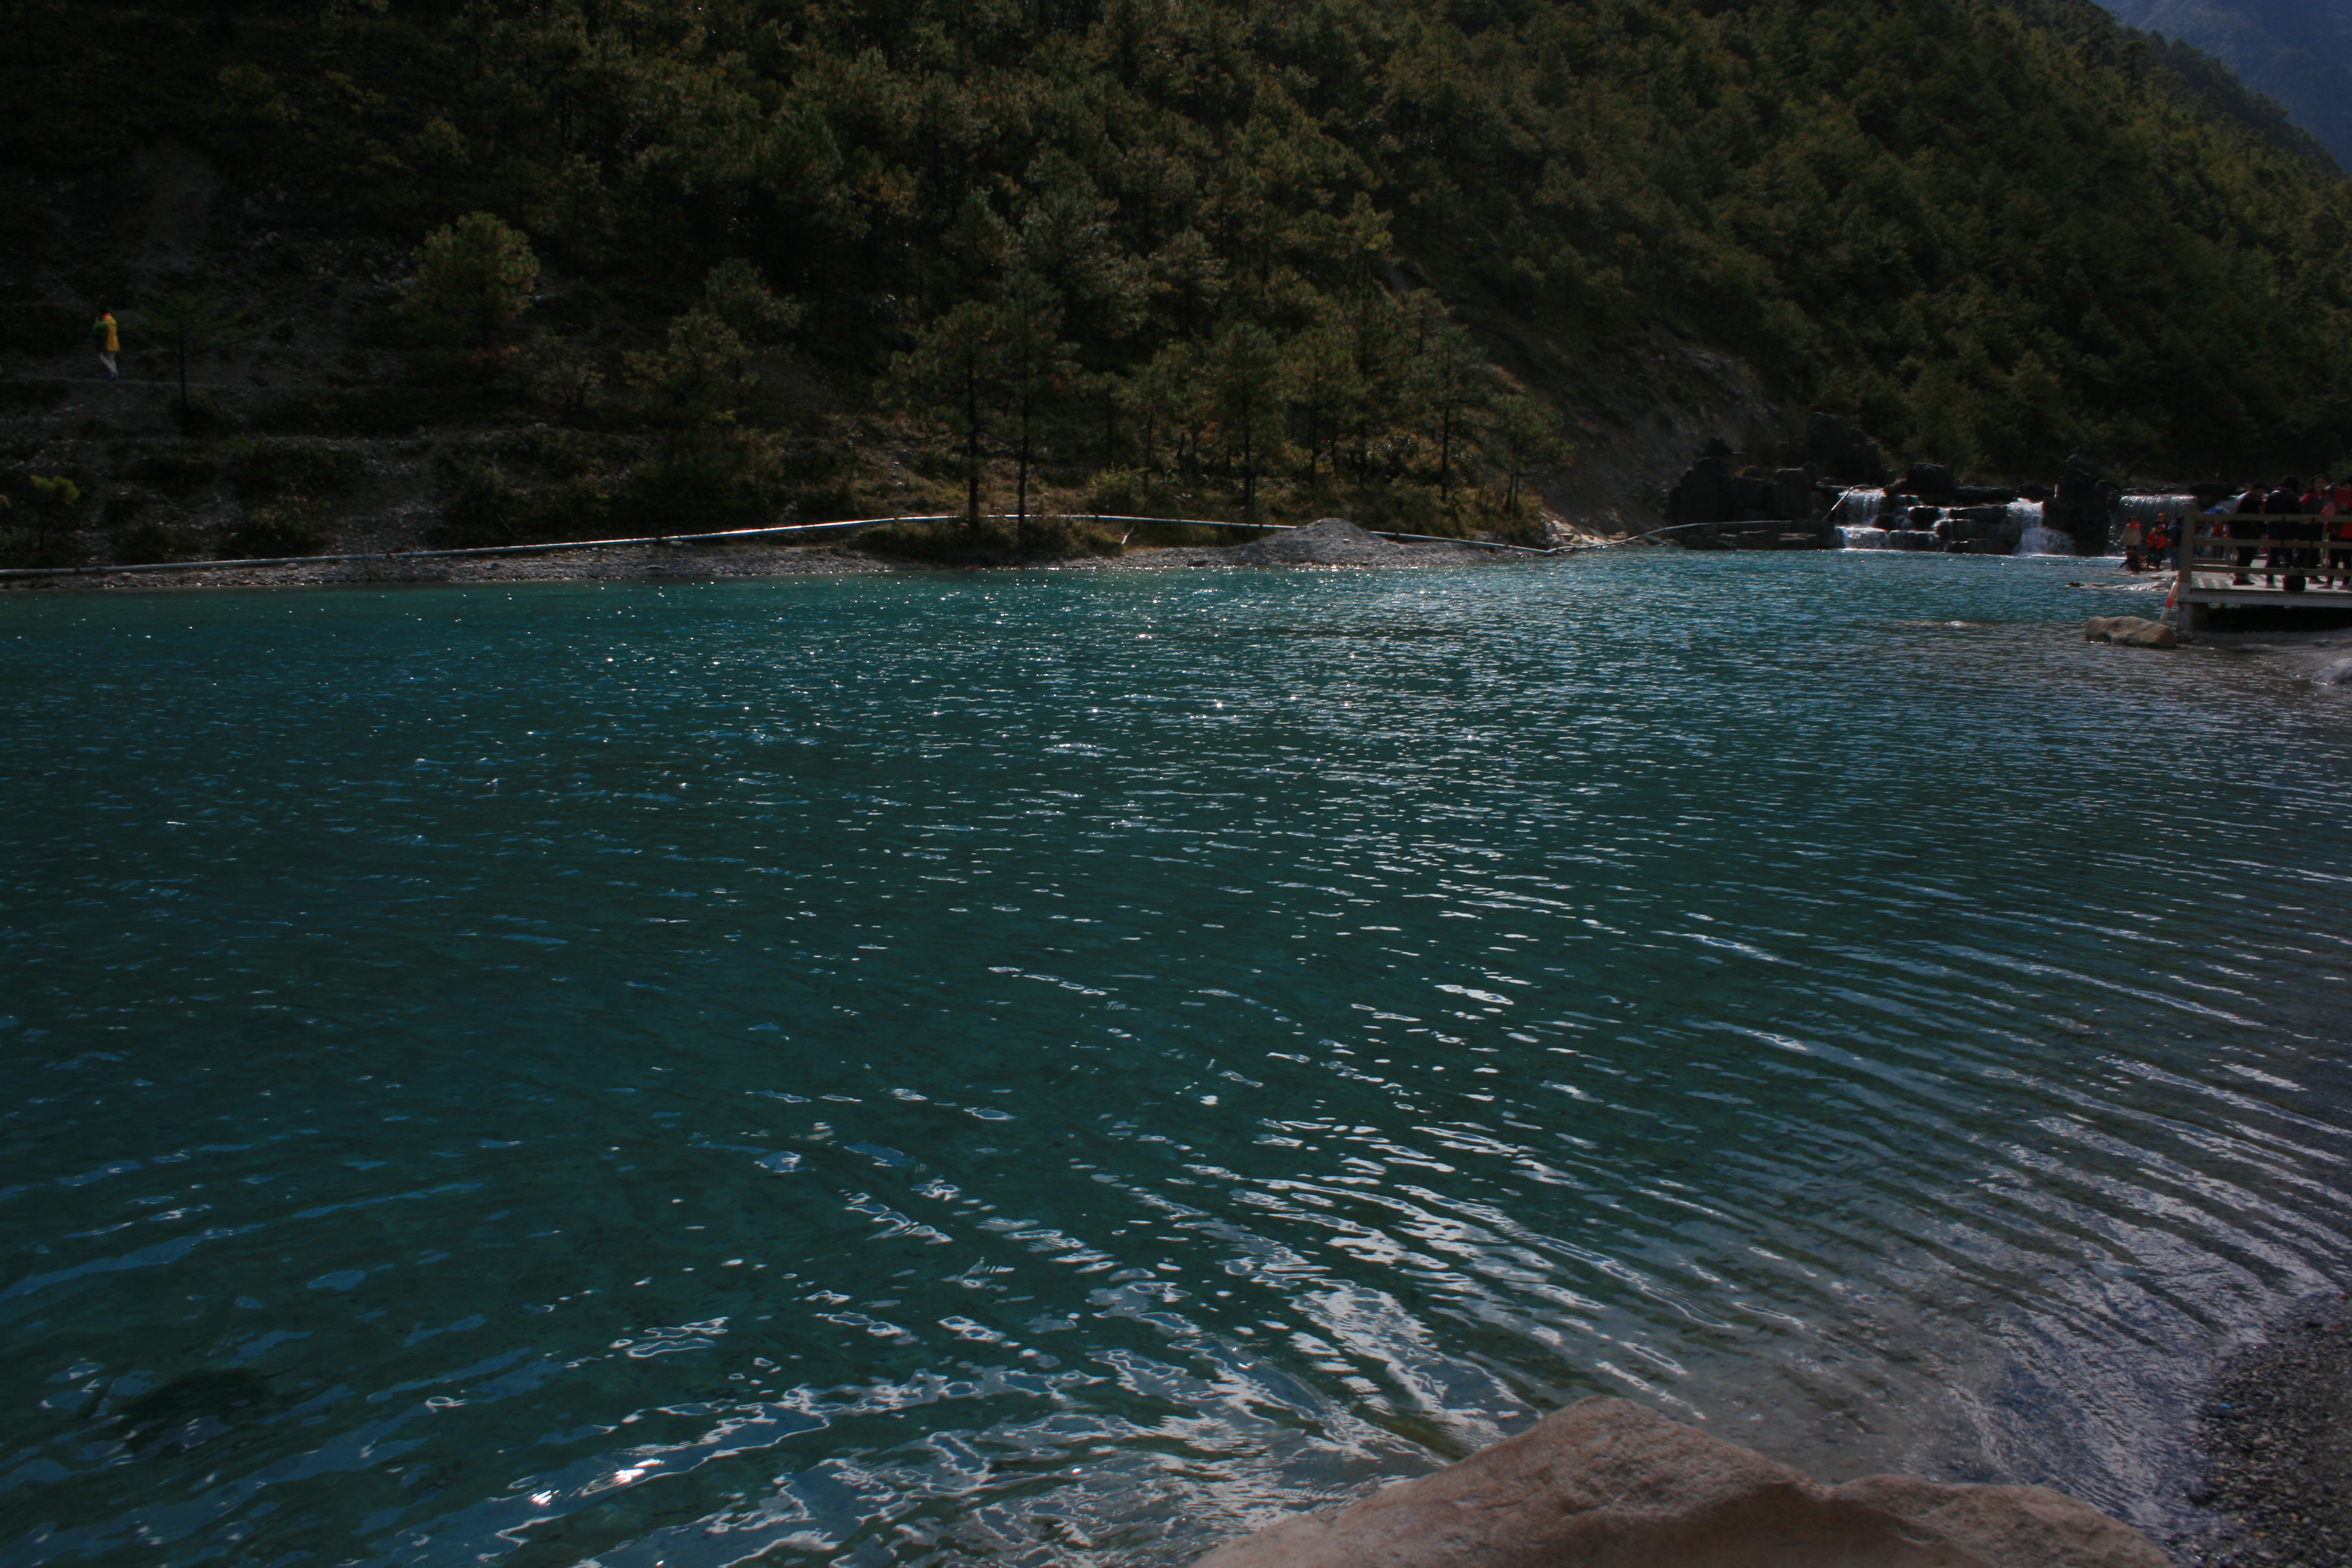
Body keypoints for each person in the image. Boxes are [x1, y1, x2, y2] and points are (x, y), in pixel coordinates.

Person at [92, 309, 118, 380]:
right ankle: (115, 373)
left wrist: (98, 322)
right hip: (115, 342)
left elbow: (101, 328)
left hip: (108, 343)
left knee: (102, 357)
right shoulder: (112, 319)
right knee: (111, 358)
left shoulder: (106, 320)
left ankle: (113, 373)